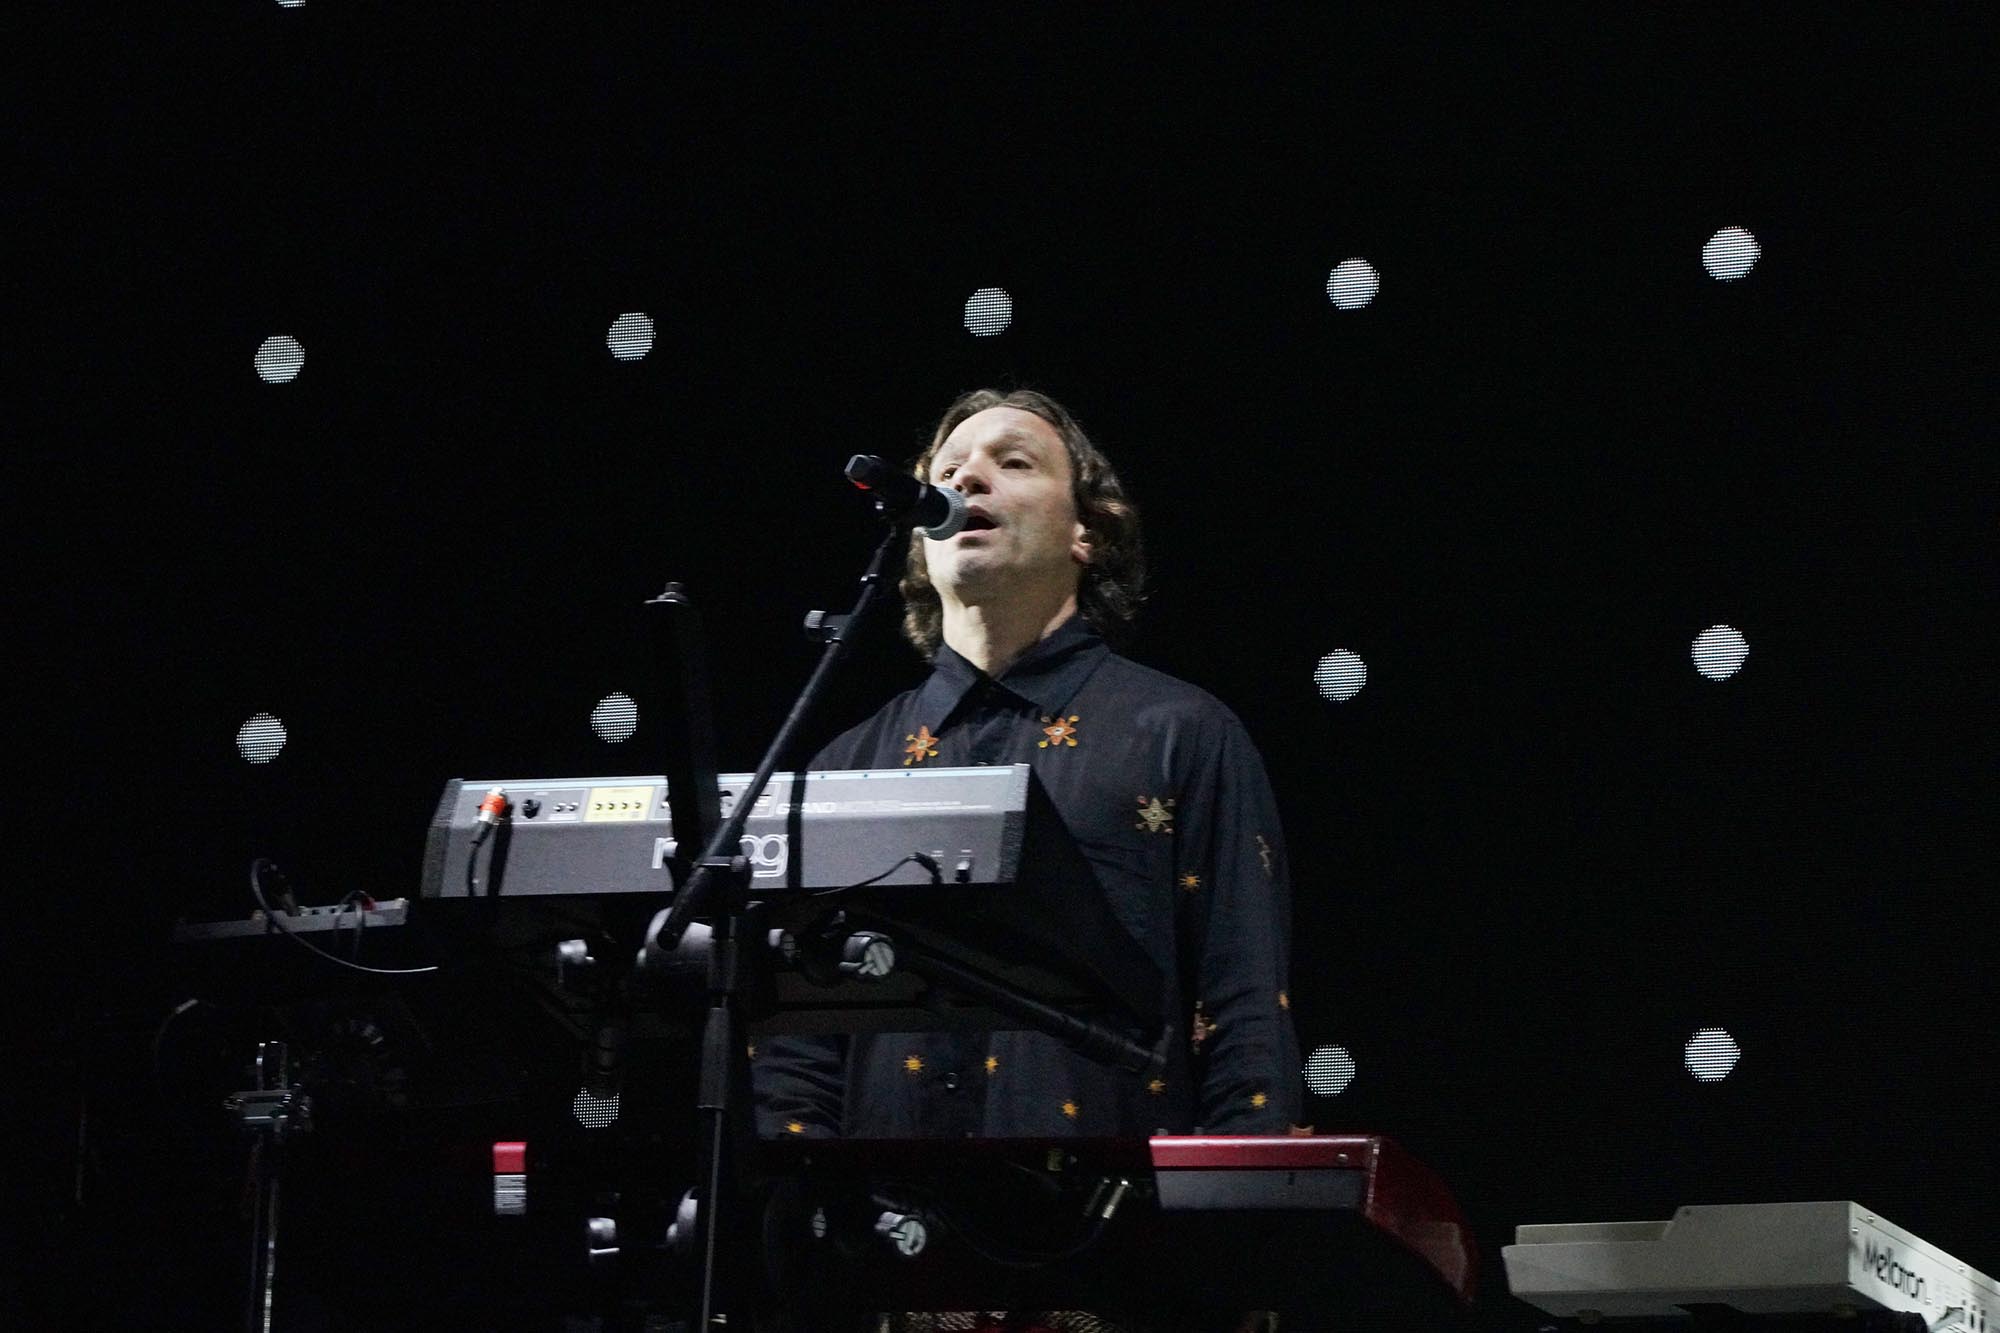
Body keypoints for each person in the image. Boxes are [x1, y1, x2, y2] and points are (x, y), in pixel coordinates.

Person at [754, 388, 1302, 1147]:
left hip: (1110, 1207)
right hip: (878, 1212)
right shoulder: (847, 763)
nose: (966, 478)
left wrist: (1238, 1199)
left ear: (1088, 533)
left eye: (1013, 462)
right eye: (948, 468)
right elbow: (795, 1053)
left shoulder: (1183, 734)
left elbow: (1244, 1008)